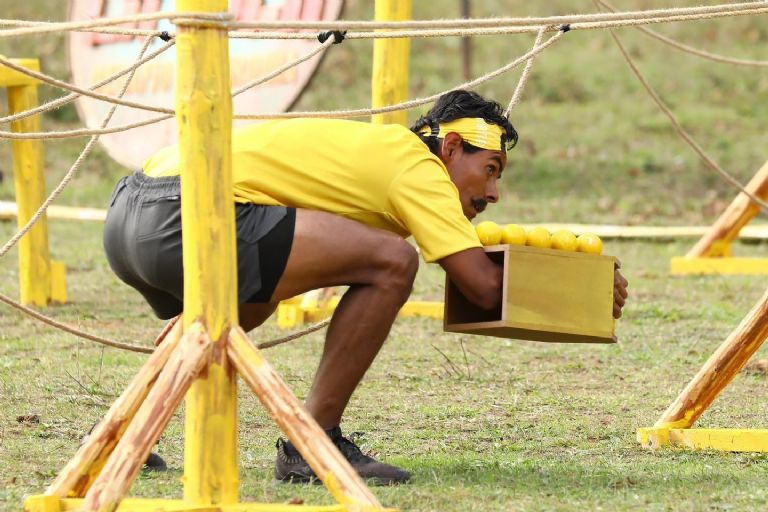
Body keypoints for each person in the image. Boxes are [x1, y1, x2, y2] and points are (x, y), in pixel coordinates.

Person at [103, 89, 629, 485]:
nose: (492, 192)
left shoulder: (380, 152)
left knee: (252, 305)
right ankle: (313, 445)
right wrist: (585, 288)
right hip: (181, 218)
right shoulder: (420, 168)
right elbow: (483, 288)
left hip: (128, 215)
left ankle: (120, 435)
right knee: (392, 263)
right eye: (489, 170)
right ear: (450, 147)